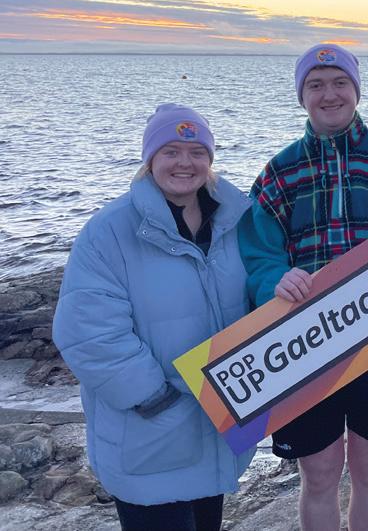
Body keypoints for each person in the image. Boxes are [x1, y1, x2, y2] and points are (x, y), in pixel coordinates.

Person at [238, 44, 368, 531]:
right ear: (302, 95)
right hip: (306, 344)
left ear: (356, 90)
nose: (329, 94)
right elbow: (258, 255)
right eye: (316, 84)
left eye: (340, 82)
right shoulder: (280, 171)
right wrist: (275, 280)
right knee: (320, 475)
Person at [52, 104, 254, 531]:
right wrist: (155, 397)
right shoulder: (108, 231)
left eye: (197, 152)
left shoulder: (237, 221)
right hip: (149, 437)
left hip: (217, 429)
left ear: (210, 159)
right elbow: (87, 331)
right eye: (171, 151)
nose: (185, 163)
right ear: (150, 159)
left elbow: (260, 299)